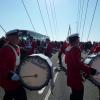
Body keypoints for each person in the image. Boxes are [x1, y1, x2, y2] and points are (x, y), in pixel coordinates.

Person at [65, 33, 98, 100]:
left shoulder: (68, 48)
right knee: (79, 92)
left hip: (70, 75)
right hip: (75, 76)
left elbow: (67, 61)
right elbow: (77, 64)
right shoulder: (75, 49)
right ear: (75, 40)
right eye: (78, 39)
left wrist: (79, 61)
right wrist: (91, 70)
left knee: (73, 92)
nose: (79, 40)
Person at [0, 29, 27, 100]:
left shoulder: (17, 47)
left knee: (9, 95)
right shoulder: (6, 49)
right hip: (8, 80)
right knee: (21, 96)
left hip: (15, 79)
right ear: (10, 38)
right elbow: (1, 67)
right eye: (17, 37)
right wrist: (11, 75)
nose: (19, 39)